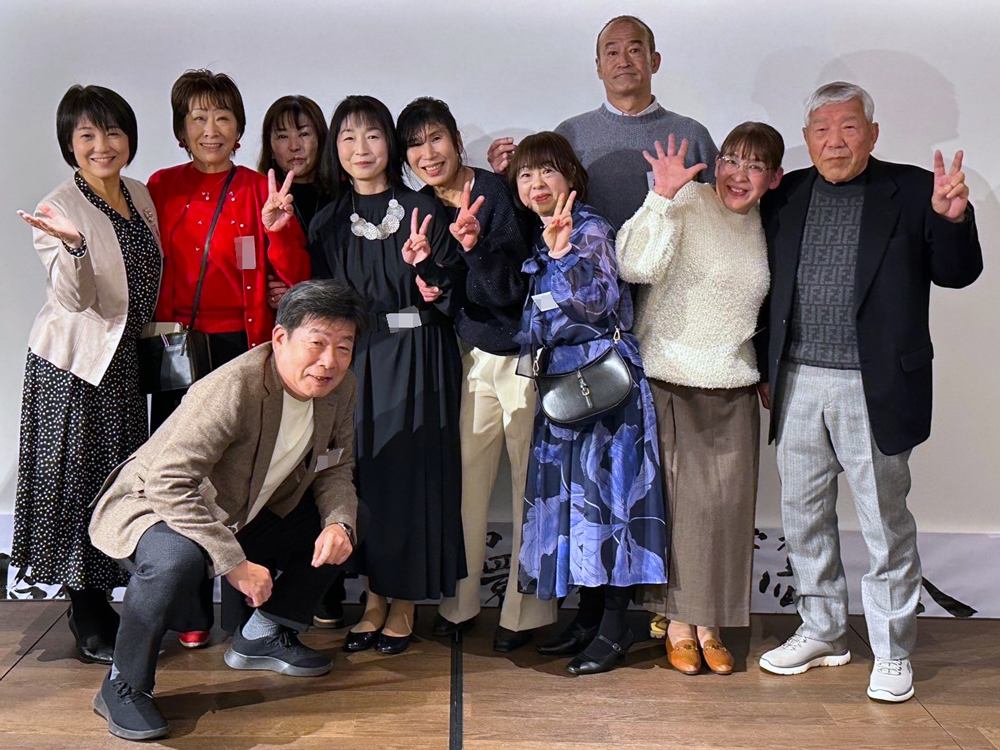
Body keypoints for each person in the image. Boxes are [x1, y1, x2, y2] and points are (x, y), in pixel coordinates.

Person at [755, 82, 982, 703]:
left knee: (885, 521)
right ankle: (823, 629)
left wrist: (953, 219)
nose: (835, 141)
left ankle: (892, 649)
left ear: (873, 134)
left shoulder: (914, 190)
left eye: (849, 128)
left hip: (873, 383)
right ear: (807, 139)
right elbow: (766, 288)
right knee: (803, 516)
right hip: (798, 379)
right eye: (822, 130)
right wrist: (766, 367)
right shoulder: (787, 195)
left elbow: (958, 274)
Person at [88, 280, 365, 741]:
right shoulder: (234, 387)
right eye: (317, 343)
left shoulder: (341, 388)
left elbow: (335, 467)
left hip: (237, 509)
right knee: (177, 559)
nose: (329, 361)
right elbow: (170, 483)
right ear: (280, 338)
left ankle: (265, 633)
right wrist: (233, 562)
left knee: (351, 521)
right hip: (153, 505)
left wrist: (339, 523)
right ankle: (124, 684)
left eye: (344, 347)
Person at [616, 125, 784, 674]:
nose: (739, 174)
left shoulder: (769, 223)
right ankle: (680, 624)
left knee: (727, 514)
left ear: (774, 178)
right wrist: (662, 195)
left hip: (734, 382)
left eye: (754, 166)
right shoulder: (689, 200)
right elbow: (634, 266)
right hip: (669, 377)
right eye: (732, 160)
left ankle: (711, 622)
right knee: (679, 511)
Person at [396, 97, 558, 652]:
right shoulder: (421, 207)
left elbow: (510, 290)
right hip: (472, 357)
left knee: (527, 486)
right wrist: (431, 280)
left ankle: (525, 615)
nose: (427, 153)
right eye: (415, 145)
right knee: (466, 484)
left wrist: (475, 248)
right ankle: (459, 604)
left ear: (457, 141)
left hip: (521, 355)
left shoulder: (493, 191)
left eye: (435, 138)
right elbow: (455, 298)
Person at [309, 95, 466, 655]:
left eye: (372, 135)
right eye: (348, 137)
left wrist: (430, 273)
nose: (361, 148)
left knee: (414, 475)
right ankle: (374, 598)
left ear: (390, 143)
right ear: (336, 149)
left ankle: (405, 604)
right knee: (366, 478)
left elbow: (455, 290)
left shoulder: (426, 208)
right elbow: (319, 302)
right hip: (359, 360)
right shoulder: (327, 222)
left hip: (422, 352)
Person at [12, 85, 161, 665]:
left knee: (114, 484)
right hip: (74, 368)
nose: (103, 145)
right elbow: (73, 300)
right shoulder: (57, 207)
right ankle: (86, 608)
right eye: (87, 135)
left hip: (123, 364)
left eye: (113, 132)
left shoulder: (139, 194)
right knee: (77, 486)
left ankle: (104, 596)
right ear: (69, 144)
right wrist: (74, 249)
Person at [509, 132, 668, 675]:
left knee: (610, 503)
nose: (536, 183)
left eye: (546, 171)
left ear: (571, 177)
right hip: (565, 386)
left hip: (603, 387)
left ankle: (615, 627)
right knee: (581, 508)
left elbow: (597, 304)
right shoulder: (544, 234)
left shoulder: (590, 228)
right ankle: (589, 616)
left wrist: (561, 256)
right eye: (525, 174)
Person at [147, 69, 311, 440]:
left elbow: (297, 277)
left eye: (223, 118)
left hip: (242, 345)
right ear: (181, 129)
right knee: (176, 451)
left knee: (239, 452)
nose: (211, 130)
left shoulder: (260, 189)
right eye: (198, 119)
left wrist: (277, 232)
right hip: (177, 346)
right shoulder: (161, 186)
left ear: (238, 129)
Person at [488, 15, 717, 230]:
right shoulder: (569, 134)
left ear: (654, 61)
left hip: (674, 259)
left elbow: (720, 213)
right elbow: (536, 210)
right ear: (599, 67)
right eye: (612, 53)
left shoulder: (691, 134)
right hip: (588, 259)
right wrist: (506, 176)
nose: (623, 62)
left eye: (634, 50)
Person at [257, 94, 346, 628]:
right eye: (282, 135)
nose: (294, 145)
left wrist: (292, 292)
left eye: (305, 133)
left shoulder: (343, 193)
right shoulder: (261, 193)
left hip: (334, 349)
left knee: (327, 459)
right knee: (279, 461)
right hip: (283, 351)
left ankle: (324, 580)